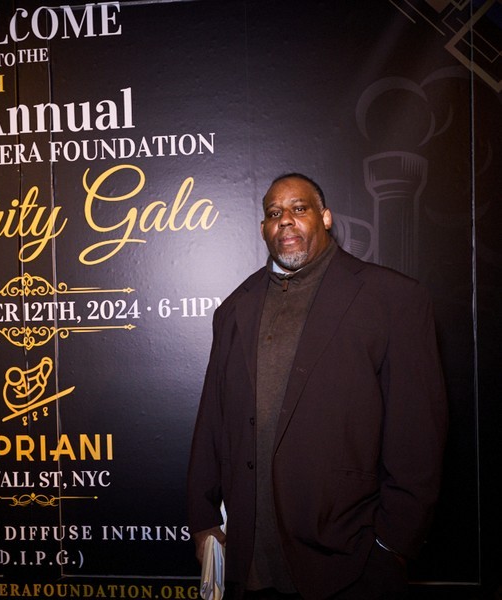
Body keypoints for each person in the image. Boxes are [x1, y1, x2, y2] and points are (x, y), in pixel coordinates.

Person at [187, 173, 448, 600]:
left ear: (325, 218)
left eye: (299, 208)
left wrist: (393, 545)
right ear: (263, 229)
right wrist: (202, 520)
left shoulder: (394, 299)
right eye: (274, 213)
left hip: (350, 560)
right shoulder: (234, 309)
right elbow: (211, 422)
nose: (285, 220)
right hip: (249, 559)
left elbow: (418, 434)